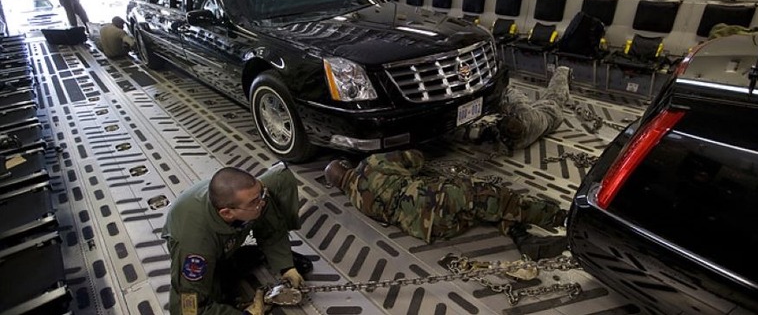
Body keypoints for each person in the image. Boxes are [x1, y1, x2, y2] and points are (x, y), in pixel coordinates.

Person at [325, 150, 568, 260]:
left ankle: (523, 239)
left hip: (430, 228)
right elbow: (415, 158)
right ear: (348, 165)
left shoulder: (355, 200)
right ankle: (561, 218)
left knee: (484, 212)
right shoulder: (369, 164)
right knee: (496, 198)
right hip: (437, 199)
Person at [161, 162, 312, 315]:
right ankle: (224, 265)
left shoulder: (252, 200)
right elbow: (187, 310)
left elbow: (271, 229)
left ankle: (234, 257)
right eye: (255, 202)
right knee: (217, 294)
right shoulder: (195, 248)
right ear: (227, 213)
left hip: (226, 231)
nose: (263, 202)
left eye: (261, 194)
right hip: (202, 244)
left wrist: (286, 267)